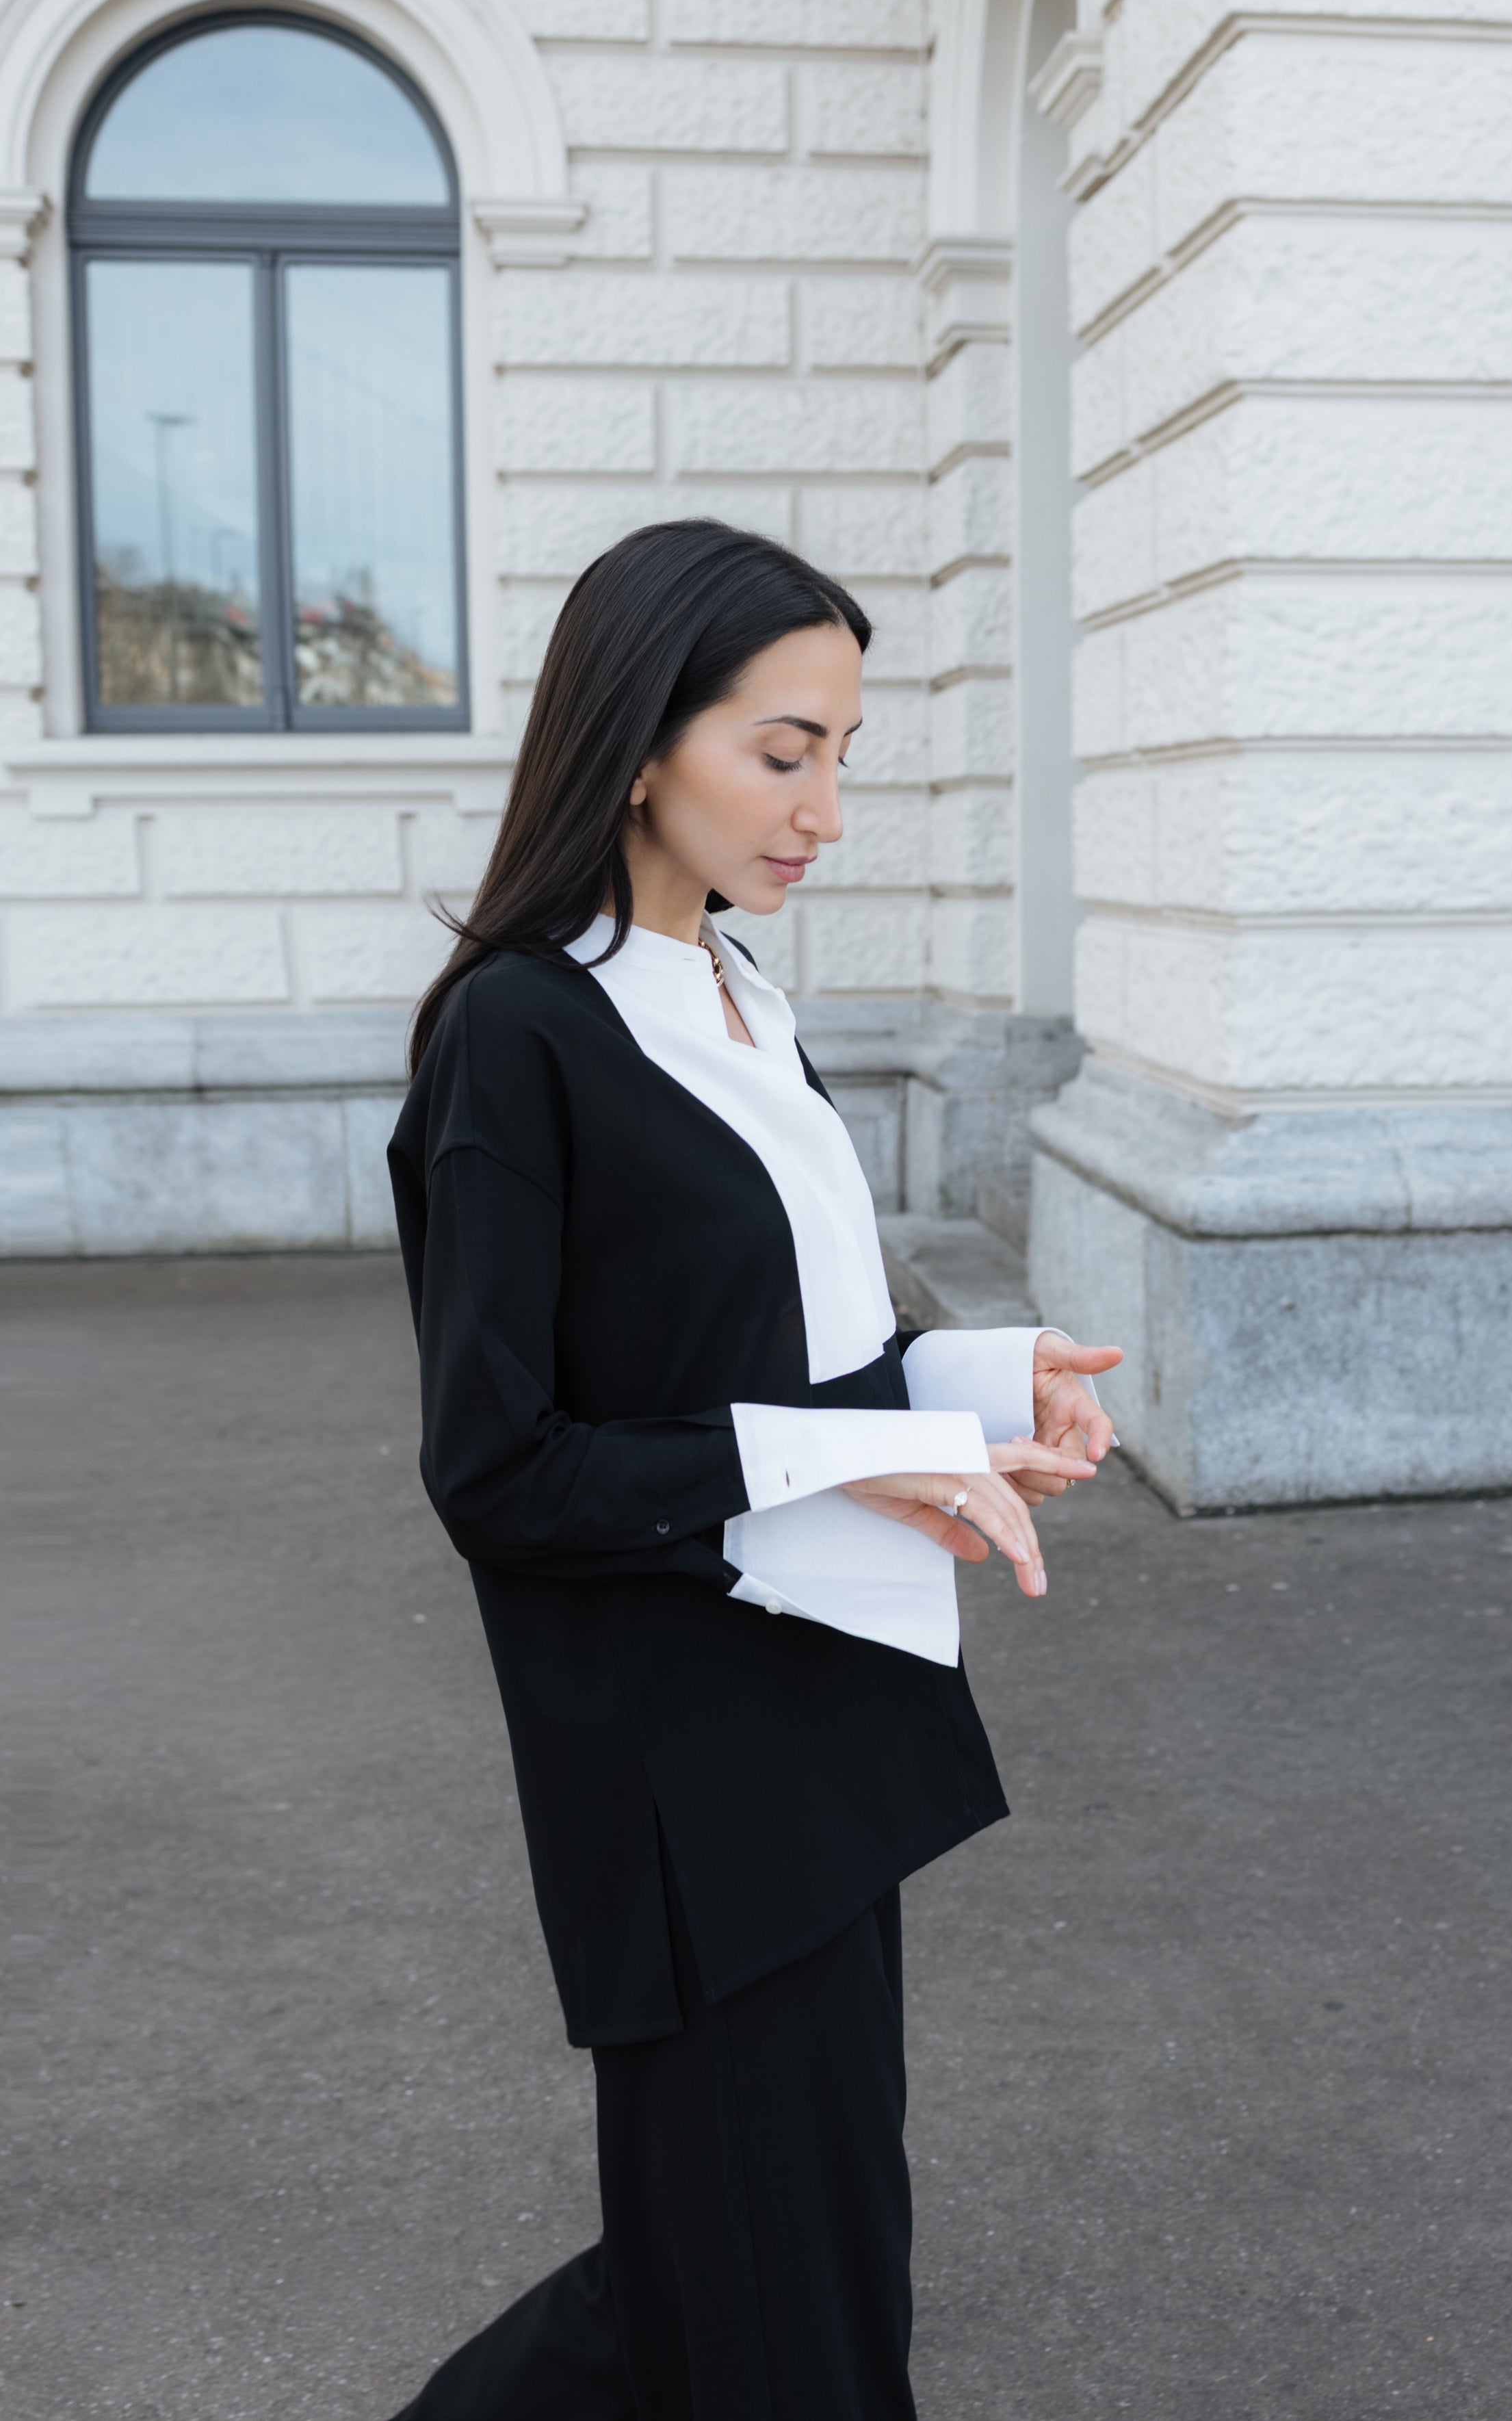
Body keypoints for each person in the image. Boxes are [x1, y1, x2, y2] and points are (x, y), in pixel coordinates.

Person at [384, 519, 1123, 2420]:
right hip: (681, 1761)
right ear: (639, 743)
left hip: (821, 1716)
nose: (825, 812)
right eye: (783, 753)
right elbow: (501, 1470)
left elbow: (787, 1374)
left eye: (841, 756)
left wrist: (976, 1385)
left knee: (744, 2278)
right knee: (771, 2312)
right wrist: (837, 1461)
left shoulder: (737, 998)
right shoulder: (519, 1034)